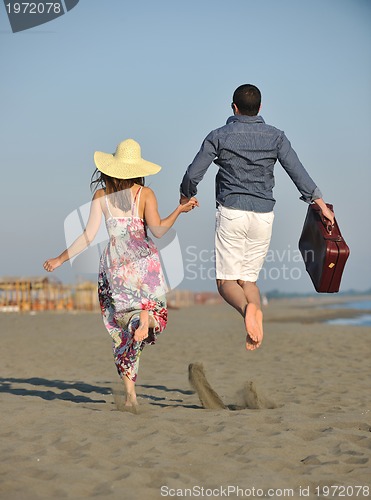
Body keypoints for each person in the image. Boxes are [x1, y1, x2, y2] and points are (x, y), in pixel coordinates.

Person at [180, 84, 334, 351]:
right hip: (263, 216)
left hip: (232, 212)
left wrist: (186, 195)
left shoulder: (219, 135)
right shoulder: (276, 137)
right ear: (260, 108)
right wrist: (320, 204)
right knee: (248, 281)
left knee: (226, 282)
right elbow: (298, 173)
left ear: (233, 107)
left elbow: (194, 173)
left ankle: (248, 310)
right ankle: (255, 308)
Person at [44, 139, 197, 407]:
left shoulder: (101, 196)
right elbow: (159, 230)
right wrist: (180, 210)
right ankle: (144, 319)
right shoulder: (145, 194)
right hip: (143, 263)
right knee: (154, 316)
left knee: (120, 331)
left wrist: (60, 259)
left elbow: (88, 236)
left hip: (115, 267)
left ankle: (130, 396)